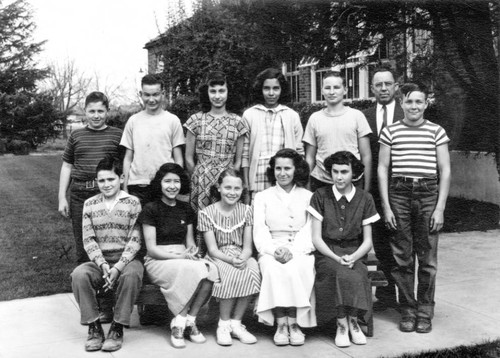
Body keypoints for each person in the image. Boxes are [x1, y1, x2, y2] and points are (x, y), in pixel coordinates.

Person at [378, 82, 451, 334]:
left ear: (426, 104)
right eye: (409, 102)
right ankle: (408, 310)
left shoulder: (436, 131)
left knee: (428, 258)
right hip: (399, 193)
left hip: (428, 193)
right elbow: (382, 168)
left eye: (419, 101)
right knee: (402, 257)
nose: (414, 106)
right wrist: (386, 206)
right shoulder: (390, 131)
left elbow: (445, 170)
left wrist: (440, 208)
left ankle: (425, 312)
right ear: (401, 104)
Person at [139, 163, 217, 348]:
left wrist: (191, 252)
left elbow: (190, 243)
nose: (172, 186)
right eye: (167, 181)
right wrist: (180, 257)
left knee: (209, 270)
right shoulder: (151, 209)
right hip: (158, 260)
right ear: (160, 183)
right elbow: (151, 249)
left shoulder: (186, 208)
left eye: (176, 181)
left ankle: (189, 320)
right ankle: (179, 324)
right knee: (188, 270)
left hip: (182, 256)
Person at [70, 157, 143, 352]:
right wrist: (103, 265)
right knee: (79, 274)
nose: (106, 184)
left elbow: (135, 240)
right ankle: (94, 327)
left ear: (121, 178)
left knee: (133, 275)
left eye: (111, 179)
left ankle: (117, 327)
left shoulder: (133, 203)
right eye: (101, 181)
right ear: (96, 182)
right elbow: (88, 239)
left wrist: (118, 267)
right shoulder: (90, 204)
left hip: (126, 260)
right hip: (100, 261)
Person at [308, 151, 379, 348]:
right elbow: (316, 238)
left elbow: (367, 241)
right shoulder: (320, 196)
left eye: (344, 172)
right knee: (338, 272)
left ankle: (353, 322)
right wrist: (335, 257)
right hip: (327, 251)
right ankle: (341, 324)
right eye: (335, 171)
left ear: (354, 174)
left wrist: (354, 256)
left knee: (356, 273)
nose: (339, 177)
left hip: (355, 250)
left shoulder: (365, 198)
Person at [253, 148, 316, 346]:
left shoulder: (308, 196)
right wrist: (273, 250)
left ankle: (295, 323)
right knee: (273, 269)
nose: (282, 173)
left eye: (287, 168)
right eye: (278, 168)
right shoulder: (262, 196)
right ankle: (281, 323)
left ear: (296, 170)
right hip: (271, 248)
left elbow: (310, 228)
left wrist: (294, 250)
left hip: (300, 248)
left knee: (300, 267)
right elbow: (259, 229)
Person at [58, 91, 123, 265]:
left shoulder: (117, 135)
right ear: (85, 112)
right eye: (92, 111)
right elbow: (67, 166)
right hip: (80, 195)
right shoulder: (76, 136)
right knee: (84, 244)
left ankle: (108, 286)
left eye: (100, 111)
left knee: (108, 242)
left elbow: (124, 167)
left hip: (107, 194)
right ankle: (86, 285)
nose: (96, 116)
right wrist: (61, 197)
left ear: (107, 112)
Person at [198, 169, 261, 346]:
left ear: (242, 190)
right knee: (229, 273)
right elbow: (212, 249)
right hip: (218, 256)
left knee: (252, 270)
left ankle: (236, 323)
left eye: (236, 188)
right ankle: (223, 324)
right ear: (218, 187)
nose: (232, 192)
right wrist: (231, 261)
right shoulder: (206, 213)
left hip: (241, 253)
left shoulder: (247, 211)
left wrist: (243, 258)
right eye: (227, 187)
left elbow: (248, 247)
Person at [362, 66, 404, 311]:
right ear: (372, 88)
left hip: (400, 188)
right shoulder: (364, 116)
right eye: (379, 85)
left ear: (396, 86)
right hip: (374, 190)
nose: (384, 88)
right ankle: (387, 296)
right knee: (379, 243)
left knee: (401, 244)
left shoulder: (406, 112)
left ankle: (405, 296)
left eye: (388, 84)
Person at [184, 71, 246, 213]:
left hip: (228, 181)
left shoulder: (237, 122)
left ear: (228, 92)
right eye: (213, 91)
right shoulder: (196, 120)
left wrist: (230, 176)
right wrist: (199, 176)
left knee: (226, 219)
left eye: (221, 91)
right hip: (201, 180)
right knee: (202, 221)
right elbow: (188, 158)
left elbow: (239, 160)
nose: (217, 96)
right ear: (207, 93)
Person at [120, 74, 185, 206]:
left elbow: (178, 158)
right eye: (147, 95)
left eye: (155, 94)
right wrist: (125, 187)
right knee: (137, 225)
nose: (151, 99)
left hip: (164, 186)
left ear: (163, 93)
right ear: (141, 94)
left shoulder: (172, 120)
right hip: (138, 185)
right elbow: (128, 158)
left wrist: (175, 183)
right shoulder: (133, 121)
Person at [303, 72, 372, 193]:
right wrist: (307, 186)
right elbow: (310, 157)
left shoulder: (356, 116)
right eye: (327, 88)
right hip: (322, 182)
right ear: (322, 91)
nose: (331, 92)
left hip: (353, 181)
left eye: (336, 87)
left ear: (345, 90)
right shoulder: (315, 118)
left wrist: (366, 188)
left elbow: (366, 155)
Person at [242, 68, 304, 201]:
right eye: (266, 88)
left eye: (276, 88)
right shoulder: (250, 115)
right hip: (257, 175)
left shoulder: (291, 116)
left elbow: (298, 153)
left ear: (282, 90)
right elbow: (245, 154)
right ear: (260, 89)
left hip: (283, 174)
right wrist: (246, 185)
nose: (271, 93)